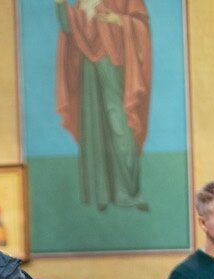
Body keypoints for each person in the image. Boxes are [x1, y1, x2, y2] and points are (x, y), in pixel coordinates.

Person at [55, 0, 152, 211]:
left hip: (115, 66)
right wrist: (61, 5)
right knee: (94, 126)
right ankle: (101, 194)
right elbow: (71, 27)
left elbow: (142, 27)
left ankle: (129, 193)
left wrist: (118, 20)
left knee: (121, 126)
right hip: (89, 69)